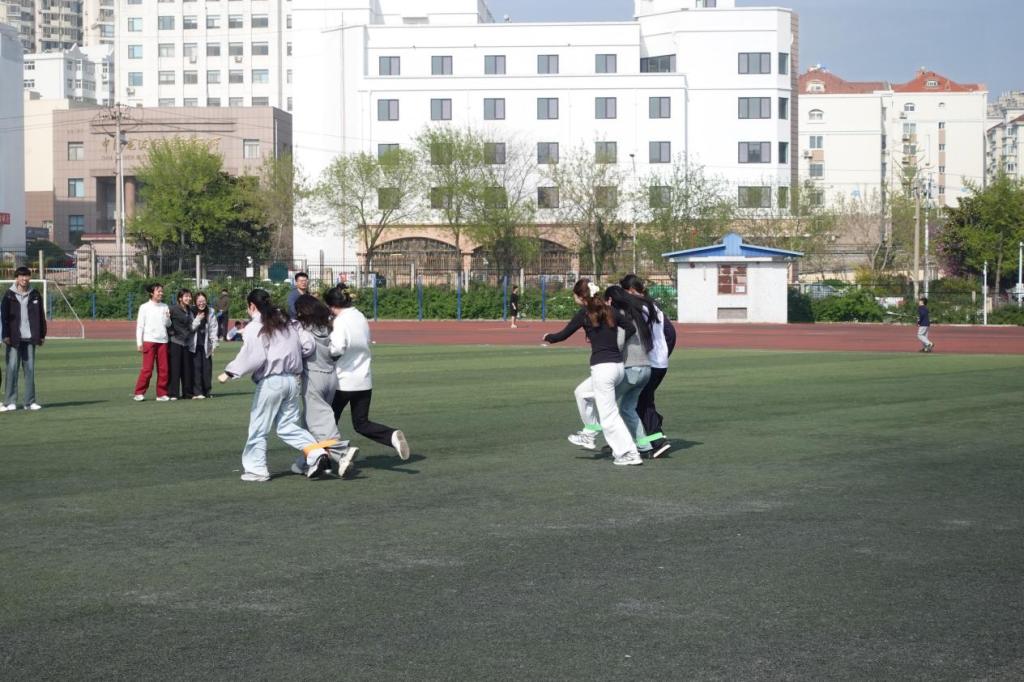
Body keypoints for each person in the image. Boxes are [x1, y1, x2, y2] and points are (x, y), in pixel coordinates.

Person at [218, 289, 332, 482]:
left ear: (252, 306)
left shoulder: (256, 326)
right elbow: (308, 345)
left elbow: (254, 357)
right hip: (292, 381)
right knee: (287, 426)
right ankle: (316, 452)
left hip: (271, 381)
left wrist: (230, 372)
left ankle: (257, 470)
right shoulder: (288, 321)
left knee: (259, 428)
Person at [543, 279, 642, 466]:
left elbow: (563, 335)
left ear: (581, 297)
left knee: (609, 416)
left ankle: (629, 453)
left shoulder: (584, 313)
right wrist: (616, 344)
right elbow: (630, 328)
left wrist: (548, 337)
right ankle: (590, 432)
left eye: (574, 295)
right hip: (617, 367)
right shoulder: (609, 310)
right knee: (581, 393)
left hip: (603, 370)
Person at [325, 285, 411, 460]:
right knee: (361, 423)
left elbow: (337, 348)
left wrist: (325, 350)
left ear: (332, 306)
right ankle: (391, 435)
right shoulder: (360, 316)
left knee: (327, 422)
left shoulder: (340, 320)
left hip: (343, 381)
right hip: (364, 380)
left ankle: (337, 456)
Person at [290, 294, 359, 478]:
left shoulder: (302, 329)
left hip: (313, 376)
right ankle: (307, 461)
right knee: (309, 422)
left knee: (319, 421)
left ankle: (342, 453)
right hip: (330, 377)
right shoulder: (327, 327)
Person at [621, 274, 674, 458]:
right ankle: (647, 437)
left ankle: (657, 441)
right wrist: (664, 354)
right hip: (659, 362)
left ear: (632, 291)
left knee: (638, 402)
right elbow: (670, 333)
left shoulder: (638, 306)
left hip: (648, 362)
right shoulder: (654, 306)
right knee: (643, 400)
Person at [605, 285, 653, 455]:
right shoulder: (636, 314)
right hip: (646, 368)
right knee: (627, 409)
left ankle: (618, 443)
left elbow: (619, 342)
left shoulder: (620, 316)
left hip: (632, 368)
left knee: (606, 406)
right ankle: (644, 445)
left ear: (610, 300)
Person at [1, 266, 47, 411]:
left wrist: (42, 334)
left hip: (30, 338)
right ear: (17, 278)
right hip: (14, 338)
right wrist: (5, 335)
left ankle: (30, 402)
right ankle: (10, 401)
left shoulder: (35, 294)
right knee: (12, 370)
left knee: (30, 370)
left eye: (27, 276)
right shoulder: (9, 295)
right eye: (21, 276)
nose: (24, 279)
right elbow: (4, 317)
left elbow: (41, 315)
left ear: (29, 278)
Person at [133, 282, 172, 401]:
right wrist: (139, 343)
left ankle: (161, 394)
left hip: (163, 341)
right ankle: (139, 393)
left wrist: (167, 317)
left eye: (161, 291)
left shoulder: (165, 306)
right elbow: (140, 326)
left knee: (163, 369)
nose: (161, 293)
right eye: (158, 291)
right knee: (147, 369)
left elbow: (168, 324)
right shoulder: (144, 307)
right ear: (152, 293)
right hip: (149, 341)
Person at [190, 292, 219, 399]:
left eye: (203, 301)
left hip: (206, 345)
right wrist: (198, 319)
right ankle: (197, 392)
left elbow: (213, 328)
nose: (201, 303)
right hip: (194, 345)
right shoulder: (191, 311)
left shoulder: (210, 311)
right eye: (199, 301)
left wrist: (214, 343)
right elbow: (191, 328)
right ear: (195, 302)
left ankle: (207, 391)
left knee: (207, 369)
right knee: (196, 368)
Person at [167, 288, 195, 400]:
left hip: (186, 343)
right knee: (175, 368)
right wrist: (171, 333)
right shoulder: (173, 309)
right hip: (175, 342)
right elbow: (166, 322)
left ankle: (187, 393)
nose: (188, 298)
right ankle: (173, 393)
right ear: (180, 298)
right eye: (186, 296)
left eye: (189, 296)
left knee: (187, 369)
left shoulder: (190, 310)